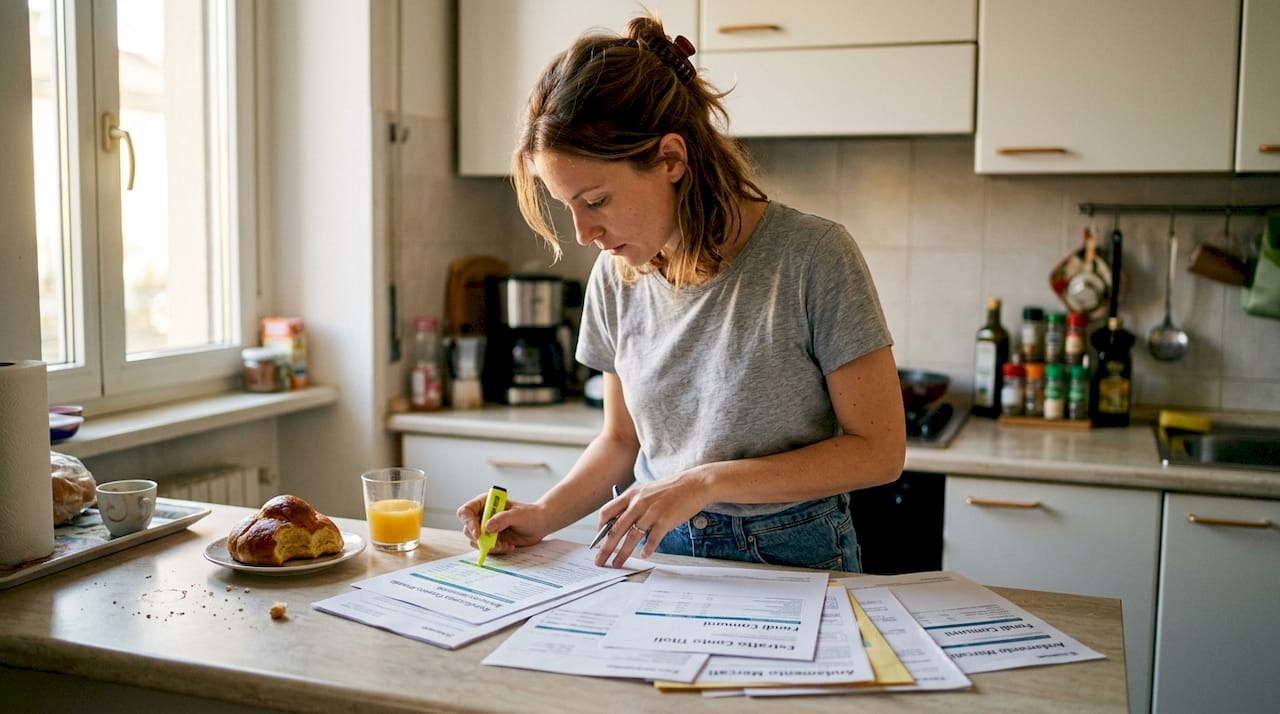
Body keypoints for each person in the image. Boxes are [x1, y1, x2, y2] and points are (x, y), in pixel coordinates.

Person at [458, 12, 905, 572]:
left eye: (595, 201)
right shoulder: (615, 275)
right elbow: (621, 442)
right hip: (654, 551)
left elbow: (879, 452)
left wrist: (703, 482)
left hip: (794, 554)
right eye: (566, 205)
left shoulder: (813, 255)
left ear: (671, 158)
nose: (583, 234)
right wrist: (544, 513)